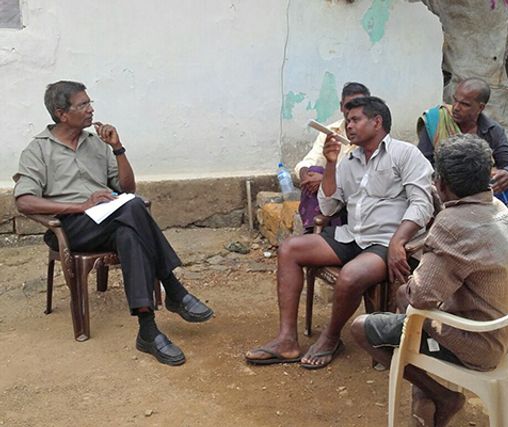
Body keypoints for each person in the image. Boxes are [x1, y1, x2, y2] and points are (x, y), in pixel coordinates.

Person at [13, 81, 214, 366]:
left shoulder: (96, 143)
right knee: (133, 209)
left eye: (90, 103)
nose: (91, 109)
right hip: (71, 226)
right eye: (83, 105)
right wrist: (80, 206)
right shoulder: (38, 150)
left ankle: (148, 330)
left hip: (110, 219)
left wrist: (118, 149)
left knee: (129, 232)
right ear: (61, 113)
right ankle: (173, 288)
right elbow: (24, 201)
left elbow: (127, 189)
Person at [351, 134, 508, 427]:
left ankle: (442, 395)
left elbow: (420, 298)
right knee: (414, 311)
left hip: (480, 345)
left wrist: (405, 287)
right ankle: (424, 393)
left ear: (441, 183)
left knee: (366, 325)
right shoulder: (496, 207)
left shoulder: (453, 223)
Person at [246, 96, 433, 369]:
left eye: (355, 120)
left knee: (351, 275)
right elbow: (329, 206)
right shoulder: (349, 160)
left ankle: (331, 337)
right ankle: (287, 341)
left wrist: (399, 240)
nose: (348, 126)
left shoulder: (405, 154)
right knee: (289, 249)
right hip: (351, 235)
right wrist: (331, 164)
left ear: (377, 122)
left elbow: (422, 204)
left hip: (385, 242)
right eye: (347, 121)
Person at [417, 77, 508, 208]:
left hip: (478, 195)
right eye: (455, 100)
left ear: (480, 107)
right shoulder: (437, 122)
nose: (456, 107)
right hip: (444, 191)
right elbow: (422, 164)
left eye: (465, 104)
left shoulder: (492, 130)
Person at [294, 82, 370, 231]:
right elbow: (309, 161)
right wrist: (306, 176)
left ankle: (320, 232)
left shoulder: (369, 135)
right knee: (313, 170)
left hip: (354, 197)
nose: (353, 111)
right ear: (341, 106)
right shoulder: (331, 131)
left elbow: (363, 177)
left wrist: (325, 179)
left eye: (359, 105)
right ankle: (313, 229)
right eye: (349, 106)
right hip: (327, 198)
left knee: (324, 179)